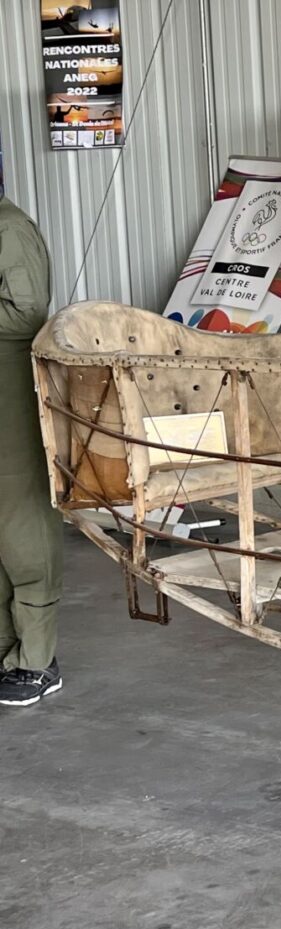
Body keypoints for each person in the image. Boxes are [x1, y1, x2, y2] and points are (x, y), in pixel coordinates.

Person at [0, 141, 62, 707]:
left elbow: (26, 312)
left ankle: (38, 659)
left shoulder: (9, 228)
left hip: (9, 395)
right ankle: (5, 650)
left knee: (21, 524)